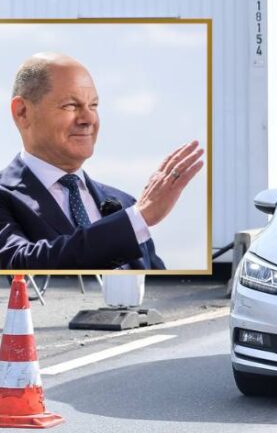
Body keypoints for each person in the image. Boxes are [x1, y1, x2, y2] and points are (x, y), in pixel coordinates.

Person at [0, 52, 204, 270]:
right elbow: (19, 267)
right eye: (71, 105)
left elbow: (158, 290)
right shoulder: (134, 215)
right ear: (22, 112)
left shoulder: (123, 203)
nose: (88, 119)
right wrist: (137, 219)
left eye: (93, 105)